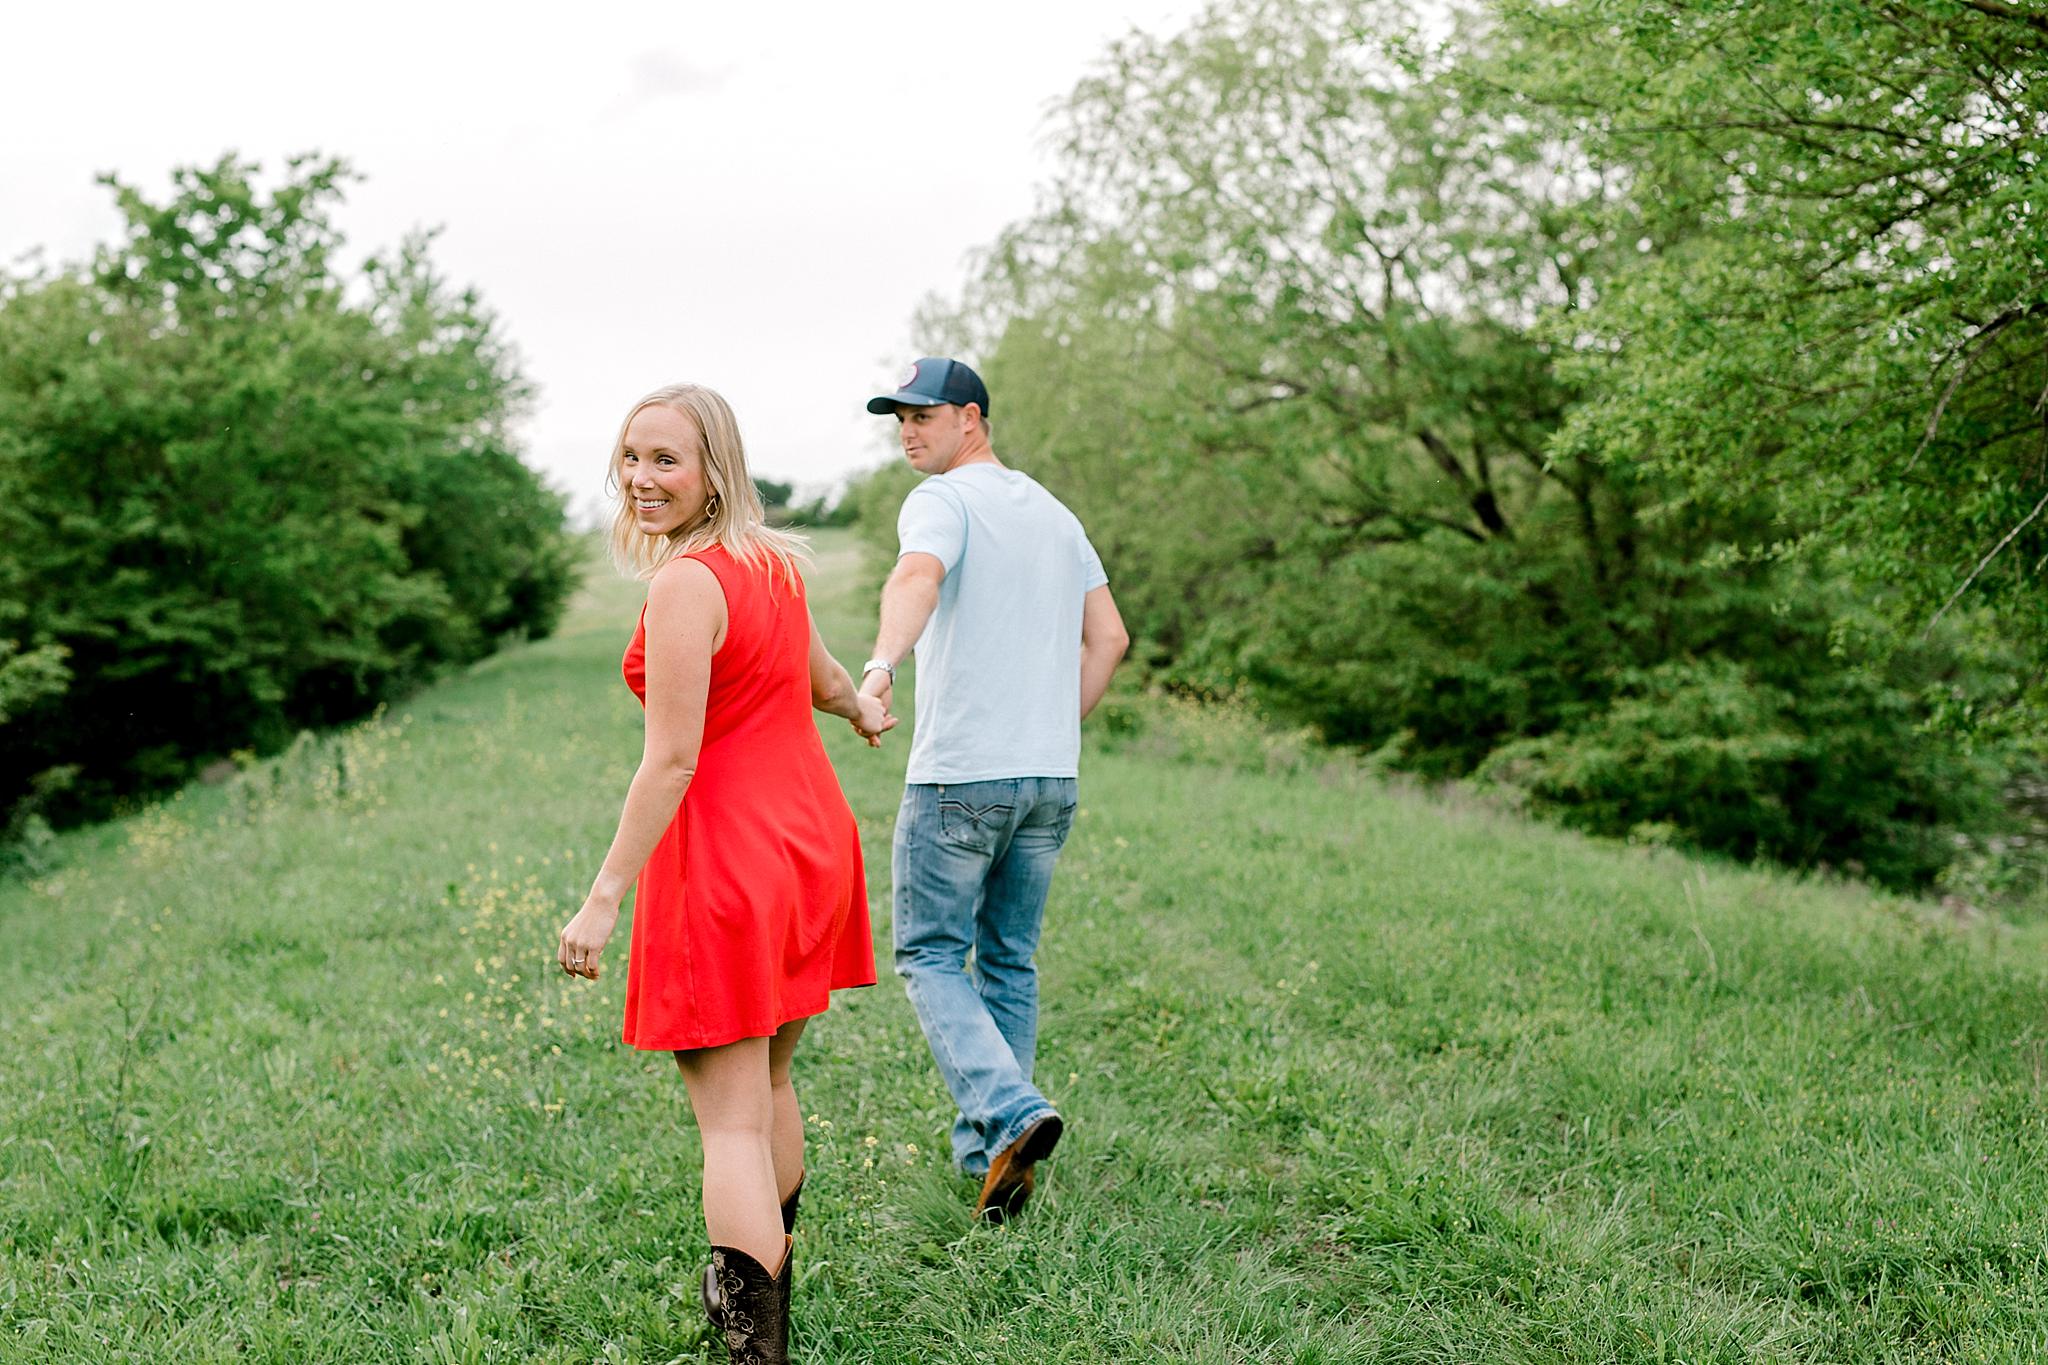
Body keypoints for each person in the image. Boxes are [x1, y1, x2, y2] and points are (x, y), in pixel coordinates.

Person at [557, 383, 892, 1364]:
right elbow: (827, 680)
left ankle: (755, 1346)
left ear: (714, 472)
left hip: (730, 863)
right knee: (771, 1082)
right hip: (809, 848)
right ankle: (763, 1281)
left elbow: (671, 759)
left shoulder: (685, 585)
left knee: (731, 1123)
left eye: (665, 460)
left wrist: (602, 895)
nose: (640, 478)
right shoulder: (771, 564)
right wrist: (863, 713)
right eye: (629, 456)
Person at [856, 357, 1129, 1222]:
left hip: (962, 774)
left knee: (930, 953)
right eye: (898, 417)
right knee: (1008, 958)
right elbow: (1111, 637)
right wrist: (1056, 724)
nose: (908, 430)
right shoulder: (1055, 512)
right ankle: (993, 1155)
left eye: (924, 416)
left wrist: (880, 665)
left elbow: (916, 577)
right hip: (1050, 778)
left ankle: (1009, 1111)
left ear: (970, 417)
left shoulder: (942, 501)